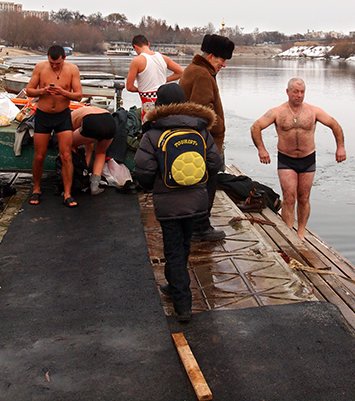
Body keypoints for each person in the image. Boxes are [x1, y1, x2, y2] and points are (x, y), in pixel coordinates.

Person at [133, 83, 221, 322]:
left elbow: (142, 171)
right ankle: (174, 287)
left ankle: (183, 305)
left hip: (167, 202)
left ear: (159, 104)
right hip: (196, 201)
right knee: (183, 245)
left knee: (173, 249)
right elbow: (215, 165)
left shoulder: (152, 133)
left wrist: (153, 187)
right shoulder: (201, 130)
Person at [250, 78, 346, 241]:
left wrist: (340, 147)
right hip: (286, 159)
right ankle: (288, 232)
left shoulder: (313, 111)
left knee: (304, 197)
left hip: (307, 158)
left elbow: (334, 125)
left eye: (302, 92)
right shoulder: (277, 112)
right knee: (289, 197)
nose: (299, 95)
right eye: (295, 91)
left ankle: (301, 232)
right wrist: (261, 149)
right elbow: (256, 127)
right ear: (288, 92)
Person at [178, 33, 234, 242]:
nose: (224, 64)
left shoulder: (194, 70)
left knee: (198, 185)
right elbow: (201, 112)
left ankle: (195, 224)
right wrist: (219, 126)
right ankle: (200, 227)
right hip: (203, 143)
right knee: (206, 185)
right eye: (222, 59)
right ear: (211, 56)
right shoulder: (202, 74)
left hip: (195, 141)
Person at [25, 45, 83, 207]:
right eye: (52, 63)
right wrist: (42, 91)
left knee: (66, 155)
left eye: (57, 63)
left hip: (62, 115)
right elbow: (29, 90)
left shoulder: (72, 70)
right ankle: (36, 188)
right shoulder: (40, 67)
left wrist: (63, 92)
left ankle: (68, 193)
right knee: (39, 155)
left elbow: (78, 95)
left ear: (64, 58)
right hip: (43, 115)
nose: (54, 66)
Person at [125, 34, 184, 118]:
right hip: (163, 98)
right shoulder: (163, 58)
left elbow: (129, 87)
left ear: (135, 47)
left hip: (147, 101)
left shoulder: (137, 61)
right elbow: (181, 72)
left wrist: (141, 89)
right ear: (148, 44)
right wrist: (164, 80)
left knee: (149, 126)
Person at [70, 104, 116, 195]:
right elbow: (89, 144)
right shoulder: (88, 109)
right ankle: (94, 185)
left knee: (69, 144)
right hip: (110, 122)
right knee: (101, 153)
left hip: (91, 121)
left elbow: (66, 139)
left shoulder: (69, 118)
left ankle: (75, 178)